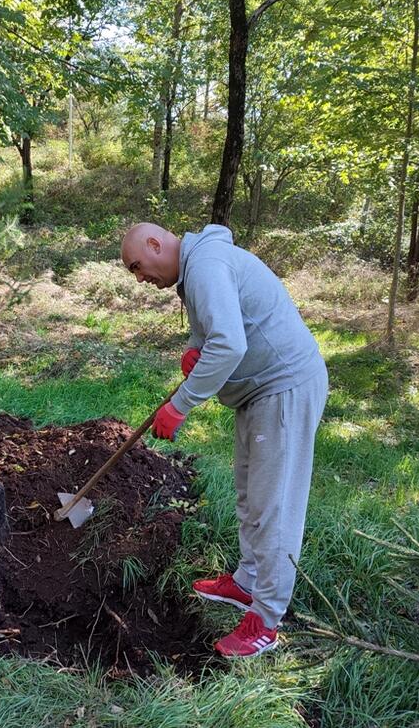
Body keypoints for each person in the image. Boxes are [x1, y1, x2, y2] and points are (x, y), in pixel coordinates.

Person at [120, 221, 327, 658]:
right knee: (250, 494)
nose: (139, 279)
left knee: (274, 506)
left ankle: (266, 620)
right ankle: (247, 583)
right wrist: (194, 349)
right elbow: (217, 331)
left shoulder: (207, 266)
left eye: (137, 266)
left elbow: (229, 346)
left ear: (155, 244)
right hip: (258, 391)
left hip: (283, 387)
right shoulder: (197, 270)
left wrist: (181, 404)